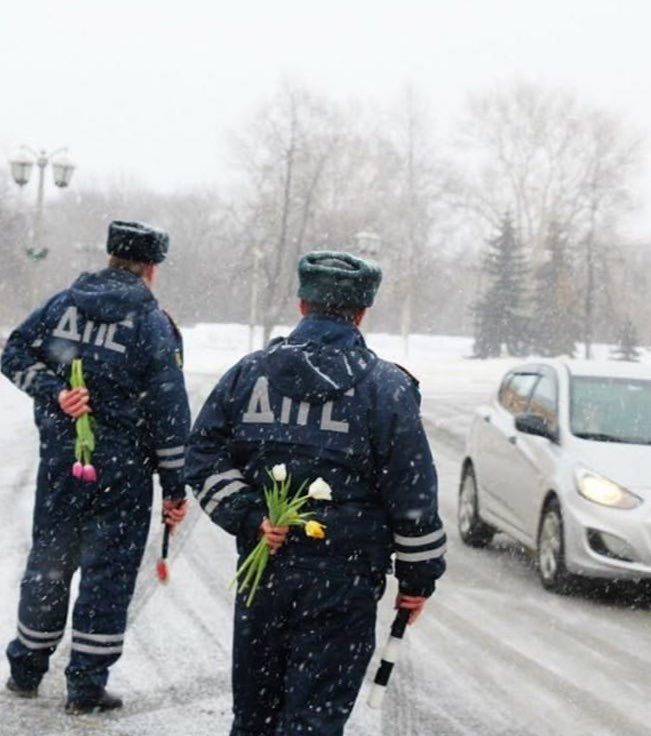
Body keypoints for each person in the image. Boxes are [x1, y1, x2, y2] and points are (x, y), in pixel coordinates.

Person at [186, 251, 446, 736]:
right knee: (315, 719)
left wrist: (250, 517)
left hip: (266, 571)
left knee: (255, 716)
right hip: (344, 583)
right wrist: (417, 578)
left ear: (302, 305)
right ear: (363, 312)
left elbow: (202, 457)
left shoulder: (250, 375)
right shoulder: (386, 389)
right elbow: (412, 498)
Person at [2, 220, 190, 714]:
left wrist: (54, 392)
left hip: (63, 465)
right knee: (107, 575)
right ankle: (85, 688)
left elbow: (13, 352)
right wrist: (174, 487)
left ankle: (26, 669)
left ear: (110, 256)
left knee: (50, 563)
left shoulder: (63, 305)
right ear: (151, 269)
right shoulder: (153, 326)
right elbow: (169, 414)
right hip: (122, 475)